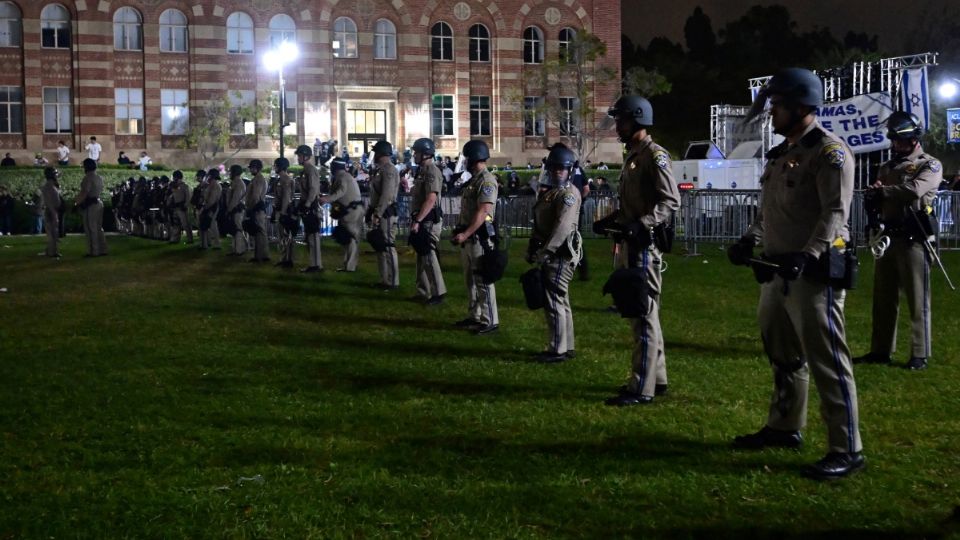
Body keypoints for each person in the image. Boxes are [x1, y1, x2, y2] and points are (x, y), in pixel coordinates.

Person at [727, 68, 863, 479]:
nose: (771, 112)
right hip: (777, 269)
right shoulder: (782, 153)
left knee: (828, 361)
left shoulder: (829, 152)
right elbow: (770, 211)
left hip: (812, 273)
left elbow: (835, 214)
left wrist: (808, 255)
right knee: (783, 355)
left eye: (778, 104)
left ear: (802, 106)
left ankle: (847, 447)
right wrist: (749, 238)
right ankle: (786, 426)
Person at [599, 95, 679, 407]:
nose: (617, 126)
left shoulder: (654, 155)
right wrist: (612, 221)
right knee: (647, 315)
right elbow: (632, 203)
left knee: (642, 314)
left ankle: (641, 387)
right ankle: (656, 378)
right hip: (633, 241)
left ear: (637, 119)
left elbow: (670, 200)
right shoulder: (634, 155)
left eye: (621, 120)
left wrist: (642, 224)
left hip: (644, 246)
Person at [853, 112, 942, 371]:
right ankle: (880, 350)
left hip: (915, 238)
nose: (895, 145)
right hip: (889, 238)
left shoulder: (930, 164)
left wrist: (883, 190)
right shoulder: (888, 167)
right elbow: (883, 197)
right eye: (893, 140)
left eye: (900, 140)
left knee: (917, 299)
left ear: (914, 139)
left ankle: (919, 353)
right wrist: (874, 195)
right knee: (883, 299)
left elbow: (915, 190)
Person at [527, 145, 582, 362]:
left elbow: (562, 227)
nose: (557, 172)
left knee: (555, 302)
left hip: (559, 253)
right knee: (560, 300)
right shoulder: (554, 192)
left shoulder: (568, 194)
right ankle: (566, 345)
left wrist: (545, 252)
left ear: (569, 170)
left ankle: (557, 349)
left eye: (561, 168)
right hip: (553, 251)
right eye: (554, 168)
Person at [451, 140, 500, 334]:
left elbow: (484, 211)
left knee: (482, 281)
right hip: (469, 237)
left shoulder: (486, 180)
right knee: (470, 280)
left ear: (473, 158)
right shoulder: (474, 180)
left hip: (479, 239)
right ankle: (475, 316)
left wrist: (466, 233)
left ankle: (490, 320)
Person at [409, 137, 447, 304]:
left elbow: (431, 200)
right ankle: (423, 291)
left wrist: (418, 220)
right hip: (422, 218)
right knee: (422, 256)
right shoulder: (422, 171)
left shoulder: (432, 171)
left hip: (429, 220)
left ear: (425, 154)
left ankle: (439, 292)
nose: (414, 155)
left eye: (416, 152)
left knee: (429, 255)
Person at [320, 158, 363, 272]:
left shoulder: (342, 177)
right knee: (348, 238)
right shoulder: (344, 176)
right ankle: (349, 265)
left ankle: (350, 267)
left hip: (351, 212)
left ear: (335, 167)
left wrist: (327, 199)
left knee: (350, 238)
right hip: (350, 210)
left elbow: (340, 192)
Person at [368, 140, 400, 289]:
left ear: (381, 153)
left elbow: (387, 194)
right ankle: (384, 279)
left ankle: (392, 281)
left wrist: (378, 213)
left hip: (385, 213)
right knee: (381, 246)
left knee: (387, 246)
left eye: (376, 152)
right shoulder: (381, 169)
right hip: (380, 212)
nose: (374, 154)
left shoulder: (388, 170)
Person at [295, 144, 323, 272]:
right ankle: (313, 263)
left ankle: (316, 265)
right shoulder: (305, 170)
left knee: (313, 236)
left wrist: (307, 205)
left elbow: (313, 189)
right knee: (309, 235)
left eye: (300, 155)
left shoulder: (310, 170)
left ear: (306, 156)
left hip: (311, 205)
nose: (298, 158)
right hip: (307, 204)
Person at [74, 158, 108, 257]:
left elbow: (85, 192)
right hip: (98, 203)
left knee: (90, 228)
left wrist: (76, 202)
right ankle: (103, 249)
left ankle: (94, 251)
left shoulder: (88, 178)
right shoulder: (99, 177)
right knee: (98, 228)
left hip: (91, 204)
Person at [273, 157, 297, 268]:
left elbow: (286, 197)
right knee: (282, 236)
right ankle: (284, 259)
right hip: (281, 210)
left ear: (280, 166)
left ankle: (287, 259)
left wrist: (282, 212)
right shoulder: (281, 179)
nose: (274, 167)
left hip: (285, 211)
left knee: (285, 236)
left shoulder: (285, 179)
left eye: (276, 165)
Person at [245, 159, 270, 262]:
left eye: (251, 167)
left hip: (257, 208)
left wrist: (251, 208)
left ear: (256, 168)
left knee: (260, 232)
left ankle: (261, 256)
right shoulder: (257, 178)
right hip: (257, 208)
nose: (250, 169)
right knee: (259, 232)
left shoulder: (258, 179)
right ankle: (261, 255)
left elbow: (256, 196)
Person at [225, 164, 248, 256]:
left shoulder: (238, 183)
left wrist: (229, 209)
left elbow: (235, 199)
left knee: (238, 229)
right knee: (234, 229)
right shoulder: (235, 182)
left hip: (237, 209)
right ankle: (235, 249)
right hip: (234, 209)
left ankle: (239, 250)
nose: (229, 173)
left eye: (230, 171)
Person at [166, 170, 193, 244]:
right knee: (176, 224)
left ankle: (190, 239)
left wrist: (185, 205)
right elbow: (171, 196)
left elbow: (188, 197)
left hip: (182, 207)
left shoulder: (184, 186)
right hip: (175, 207)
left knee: (185, 224)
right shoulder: (173, 186)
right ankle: (175, 239)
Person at [199, 168, 222, 250]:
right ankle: (206, 243)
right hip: (209, 207)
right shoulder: (211, 185)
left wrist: (205, 208)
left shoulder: (215, 185)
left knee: (212, 225)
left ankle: (216, 244)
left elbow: (212, 200)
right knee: (206, 226)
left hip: (212, 208)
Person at [41, 167, 62, 257]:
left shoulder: (50, 185)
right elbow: (49, 201)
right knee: (52, 232)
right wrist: (53, 213)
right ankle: (52, 252)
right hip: (51, 211)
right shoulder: (48, 186)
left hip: (52, 210)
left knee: (53, 232)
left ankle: (51, 250)